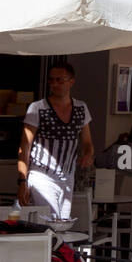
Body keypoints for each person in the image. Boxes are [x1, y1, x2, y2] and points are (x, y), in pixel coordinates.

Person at [17, 62, 93, 221]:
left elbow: (87, 141)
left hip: (68, 176)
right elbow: (25, 146)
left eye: (60, 80)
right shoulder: (37, 108)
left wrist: (88, 153)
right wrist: (22, 180)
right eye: (51, 80)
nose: (54, 84)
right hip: (42, 176)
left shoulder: (81, 108)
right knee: (52, 224)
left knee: (62, 225)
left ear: (71, 82)